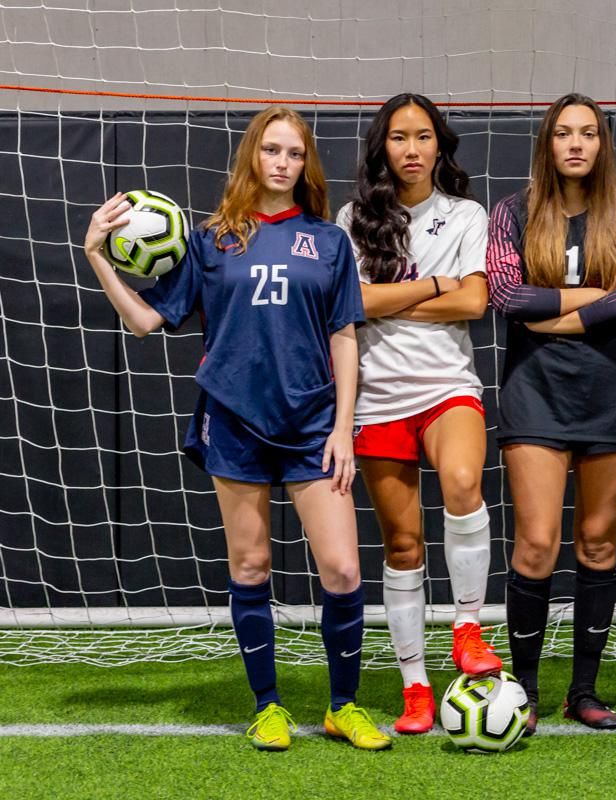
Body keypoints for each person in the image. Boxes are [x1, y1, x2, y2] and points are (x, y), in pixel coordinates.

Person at [82, 107, 390, 752]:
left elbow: (343, 335)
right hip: (234, 422)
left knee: (340, 569)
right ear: (253, 156)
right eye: (272, 150)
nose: (282, 163)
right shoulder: (211, 240)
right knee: (250, 564)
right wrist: (96, 256)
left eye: (295, 153)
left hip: (311, 426)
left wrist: (343, 428)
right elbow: (145, 323)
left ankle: (343, 705)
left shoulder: (329, 241)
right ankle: (267, 706)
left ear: (307, 164)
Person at [486, 93, 616, 735]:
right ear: (547, 144)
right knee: (534, 544)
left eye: (588, 133)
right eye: (563, 133)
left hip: (610, 392)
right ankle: (522, 692)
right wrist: (593, 303)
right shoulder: (514, 214)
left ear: (602, 144)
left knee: (598, 540)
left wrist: (558, 316)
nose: (576, 144)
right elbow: (506, 294)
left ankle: (582, 690)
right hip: (535, 391)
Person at [336, 93, 500, 735]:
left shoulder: (465, 214)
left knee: (463, 484)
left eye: (424, 137)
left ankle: (466, 629)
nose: (412, 149)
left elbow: (475, 303)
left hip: (445, 386)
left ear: (440, 145)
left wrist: (393, 298)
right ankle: (414, 688)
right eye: (399, 138)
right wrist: (435, 284)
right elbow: (354, 303)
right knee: (403, 545)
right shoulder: (355, 217)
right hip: (378, 396)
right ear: (383, 148)